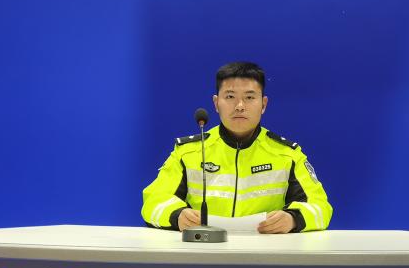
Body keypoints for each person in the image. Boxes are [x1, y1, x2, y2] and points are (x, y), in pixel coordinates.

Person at [141, 62, 332, 234]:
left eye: (249, 97)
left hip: (267, 255)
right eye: (230, 96)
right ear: (216, 103)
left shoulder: (287, 155)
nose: (240, 106)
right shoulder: (187, 152)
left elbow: (320, 208)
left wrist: (293, 219)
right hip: (202, 251)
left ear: (263, 104)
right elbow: (153, 201)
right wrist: (177, 215)